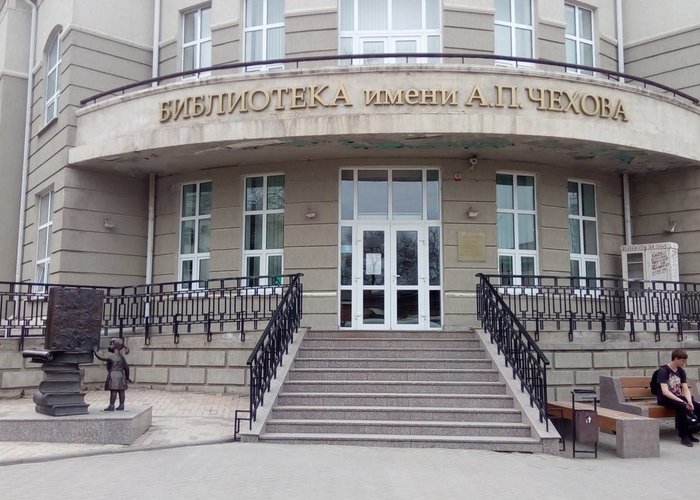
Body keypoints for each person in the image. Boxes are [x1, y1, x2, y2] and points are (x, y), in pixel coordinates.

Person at [656, 348, 700, 447]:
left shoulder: (681, 371)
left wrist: (690, 402)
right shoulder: (663, 371)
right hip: (664, 398)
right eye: (683, 361)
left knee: (697, 406)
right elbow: (665, 392)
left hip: (677, 397)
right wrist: (683, 402)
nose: (684, 363)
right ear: (676, 359)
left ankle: (691, 431)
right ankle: (684, 436)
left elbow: (685, 388)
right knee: (682, 407)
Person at [93, 338, 131, 411]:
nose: (108, 346)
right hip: (121, 375)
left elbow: (101, 357)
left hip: (114, 375)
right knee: (121, 391)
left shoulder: (112, 355)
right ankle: (121, 405)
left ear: (115, 346)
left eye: (111, 344)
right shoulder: (121, 357)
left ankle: (111, 405)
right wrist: (127, 377)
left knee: (114, 391)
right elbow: (126, 368)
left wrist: (95, 351)